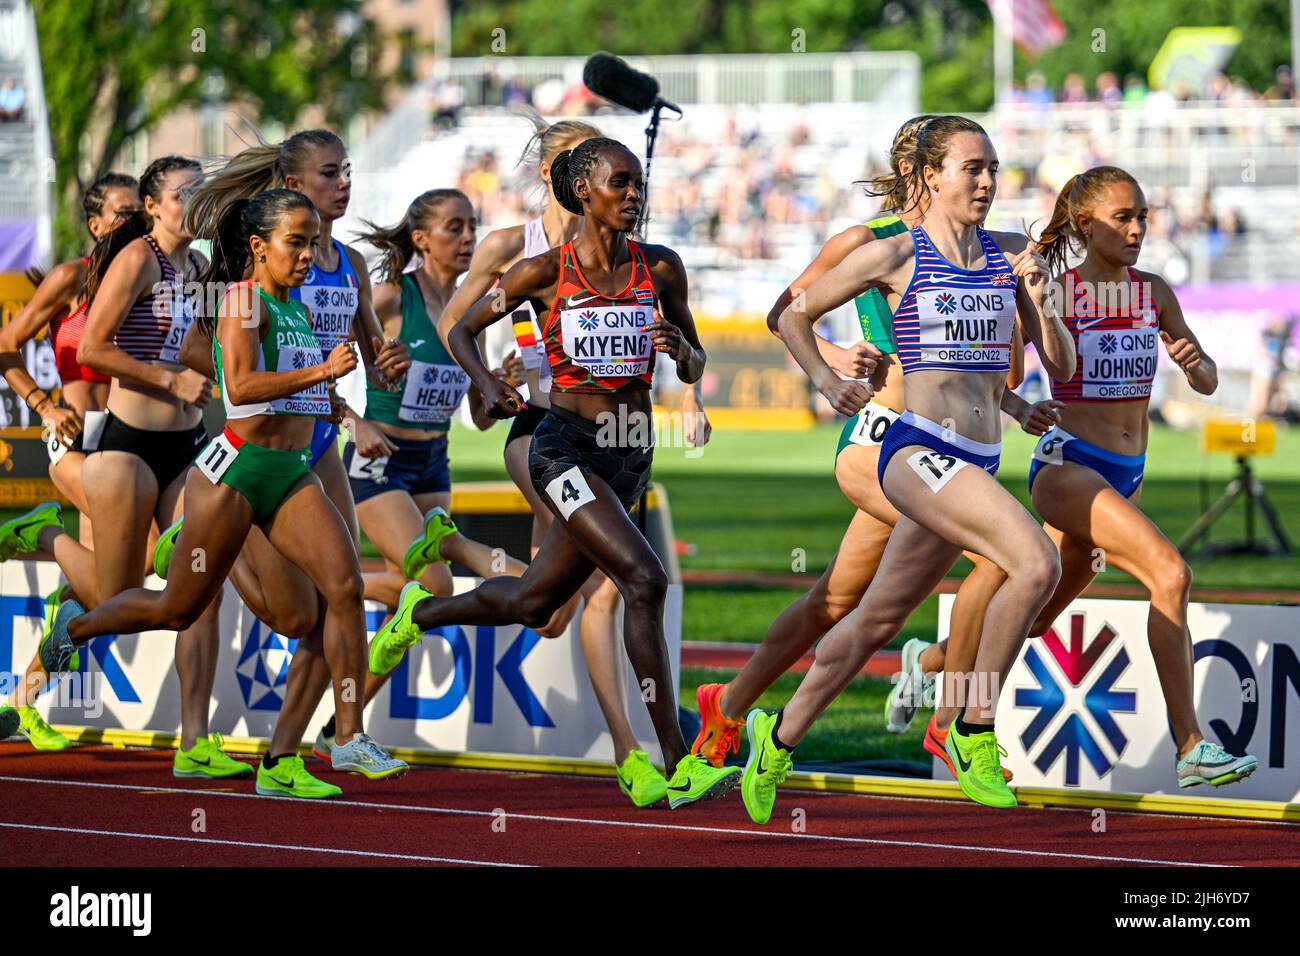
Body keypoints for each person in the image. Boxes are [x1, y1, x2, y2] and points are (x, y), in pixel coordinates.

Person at [369, 137, 740, 808]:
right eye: (619, 183)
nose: (634, 194)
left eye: (638, 184)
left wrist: (682, 352)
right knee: (644, 578)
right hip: (562, 450)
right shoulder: (541, 272)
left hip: (631, 452)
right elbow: (460, 332)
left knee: (536, 603)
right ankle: (676, 760)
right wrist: (486, 384)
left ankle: (421, 613)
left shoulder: (661, 267)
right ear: (583, 193)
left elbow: (694, 362)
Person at [690, 117, 1059, 777]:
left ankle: (733, 704)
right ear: (924, 171)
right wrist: (836, 361)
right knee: (1009, 557)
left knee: (841, 602)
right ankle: (954, 717)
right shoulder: (870, 241)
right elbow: (785, 312)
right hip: (881, 438)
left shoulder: (983, 249)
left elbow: (997, 356)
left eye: (986, 168)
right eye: (966, 167)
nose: (981, 181)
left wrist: (1016, 377)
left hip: (951, 446)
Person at [41, 188, 408, 797]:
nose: (310, 254)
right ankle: (75, 630)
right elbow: (239, 383)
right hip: (234, 476)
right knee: (175, 609)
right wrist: (321, 371)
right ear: (259, 248)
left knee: (342, 588)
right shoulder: (241, 299)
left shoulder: (296, 306)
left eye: (315, 242)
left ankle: (346, 739)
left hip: (291, 472)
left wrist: (340, 403)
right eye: (297, 241)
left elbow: (304, 392)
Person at [909, 166, 1259, 789]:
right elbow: (1009, 378)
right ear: (1085, 225)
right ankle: (1192, 746)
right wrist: (1029, 319)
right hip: (1069, 467)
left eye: (1143, 217)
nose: (1137, 230)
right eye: (1123, 218)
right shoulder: (1056, 290)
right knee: (1171, 573)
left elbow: (1205, 383)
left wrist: (1195, 362)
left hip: (1129, 473)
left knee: (1036, 616)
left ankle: (929, 664)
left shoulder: (1153, 291)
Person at [0, 156, 242, 778]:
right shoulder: (127, 261)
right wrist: (44, 404)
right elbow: (89, 346)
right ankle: (47, 536)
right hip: (116, 443)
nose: (194, 203)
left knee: (201, 588)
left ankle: (195, 741)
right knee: (117, 597)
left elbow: (189, 343)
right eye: (182, 195)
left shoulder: (198, 270)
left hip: (185, 450)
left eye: (200, 193)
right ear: (153, 208)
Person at [305, 188, 544, 757]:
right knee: (431, 585)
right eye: (453, 228)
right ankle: (333, 589)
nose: (467, 238)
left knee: (408, 606)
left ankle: (339, 730)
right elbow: (318, 364)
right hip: (377, 460)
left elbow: (480, 421)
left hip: (434, 459)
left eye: (471, 227)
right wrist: (356, 419)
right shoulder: (391, 297)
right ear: (420, 240)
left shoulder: (473, 310)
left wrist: (497, 387)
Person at [0, 173, 141, 750]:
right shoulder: (69, 279)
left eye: (142, 213)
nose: (135, 223)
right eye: (123, 212)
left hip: (130, 445)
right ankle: (44, 533)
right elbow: (5, 344)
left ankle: (23, 703)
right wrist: (41, 403)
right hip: (76, 442)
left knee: (99, 593)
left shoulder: (150, 281)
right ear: (96, 223)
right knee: (130, 571)